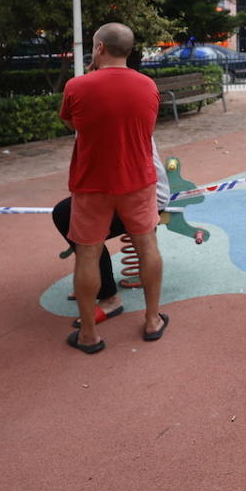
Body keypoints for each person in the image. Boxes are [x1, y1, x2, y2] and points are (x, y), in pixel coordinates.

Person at [59, 23, 163, 354]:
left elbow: (71, 122)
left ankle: (89, 334)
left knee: (87, 253)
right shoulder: (148, 86)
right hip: (137, 180)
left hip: (91, 183)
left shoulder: (76, 86)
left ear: (100, 47)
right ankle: (152, 320)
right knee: (147, 246)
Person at [52, 142, 171, 326]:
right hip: (124, 186)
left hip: (138, 190)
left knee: (83, 227)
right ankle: (93, 284)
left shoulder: (93, 117)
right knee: (66, 214)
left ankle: (108, 298)